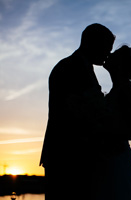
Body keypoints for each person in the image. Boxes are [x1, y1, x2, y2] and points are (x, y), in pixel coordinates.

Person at [40, 23, 115, 200]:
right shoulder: (72, 67)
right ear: (92, 43)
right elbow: (76, 113)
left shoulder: (80, 66)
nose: (108, 54)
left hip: (72, 153)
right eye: (106, 48)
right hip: (69, 154)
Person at [97, 45, 131, 200]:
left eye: (114, 54)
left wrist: (102, 131)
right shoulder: (117, 88)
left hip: (117, 160)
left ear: (121, 63)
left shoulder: (127, 90)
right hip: (109, 159)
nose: (109, 55)